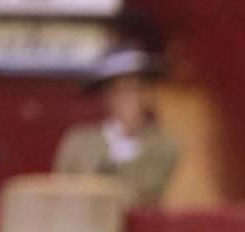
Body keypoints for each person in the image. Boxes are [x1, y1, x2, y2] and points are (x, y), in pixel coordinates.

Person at [53, 46, 181, 207]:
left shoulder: (164, 145)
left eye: (135, 89)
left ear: (147, 95)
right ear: (107, 97)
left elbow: (145, 192)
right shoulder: (79, 141)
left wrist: (127, 138)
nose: (127, 98)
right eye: (118, 90)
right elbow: (63, 191)